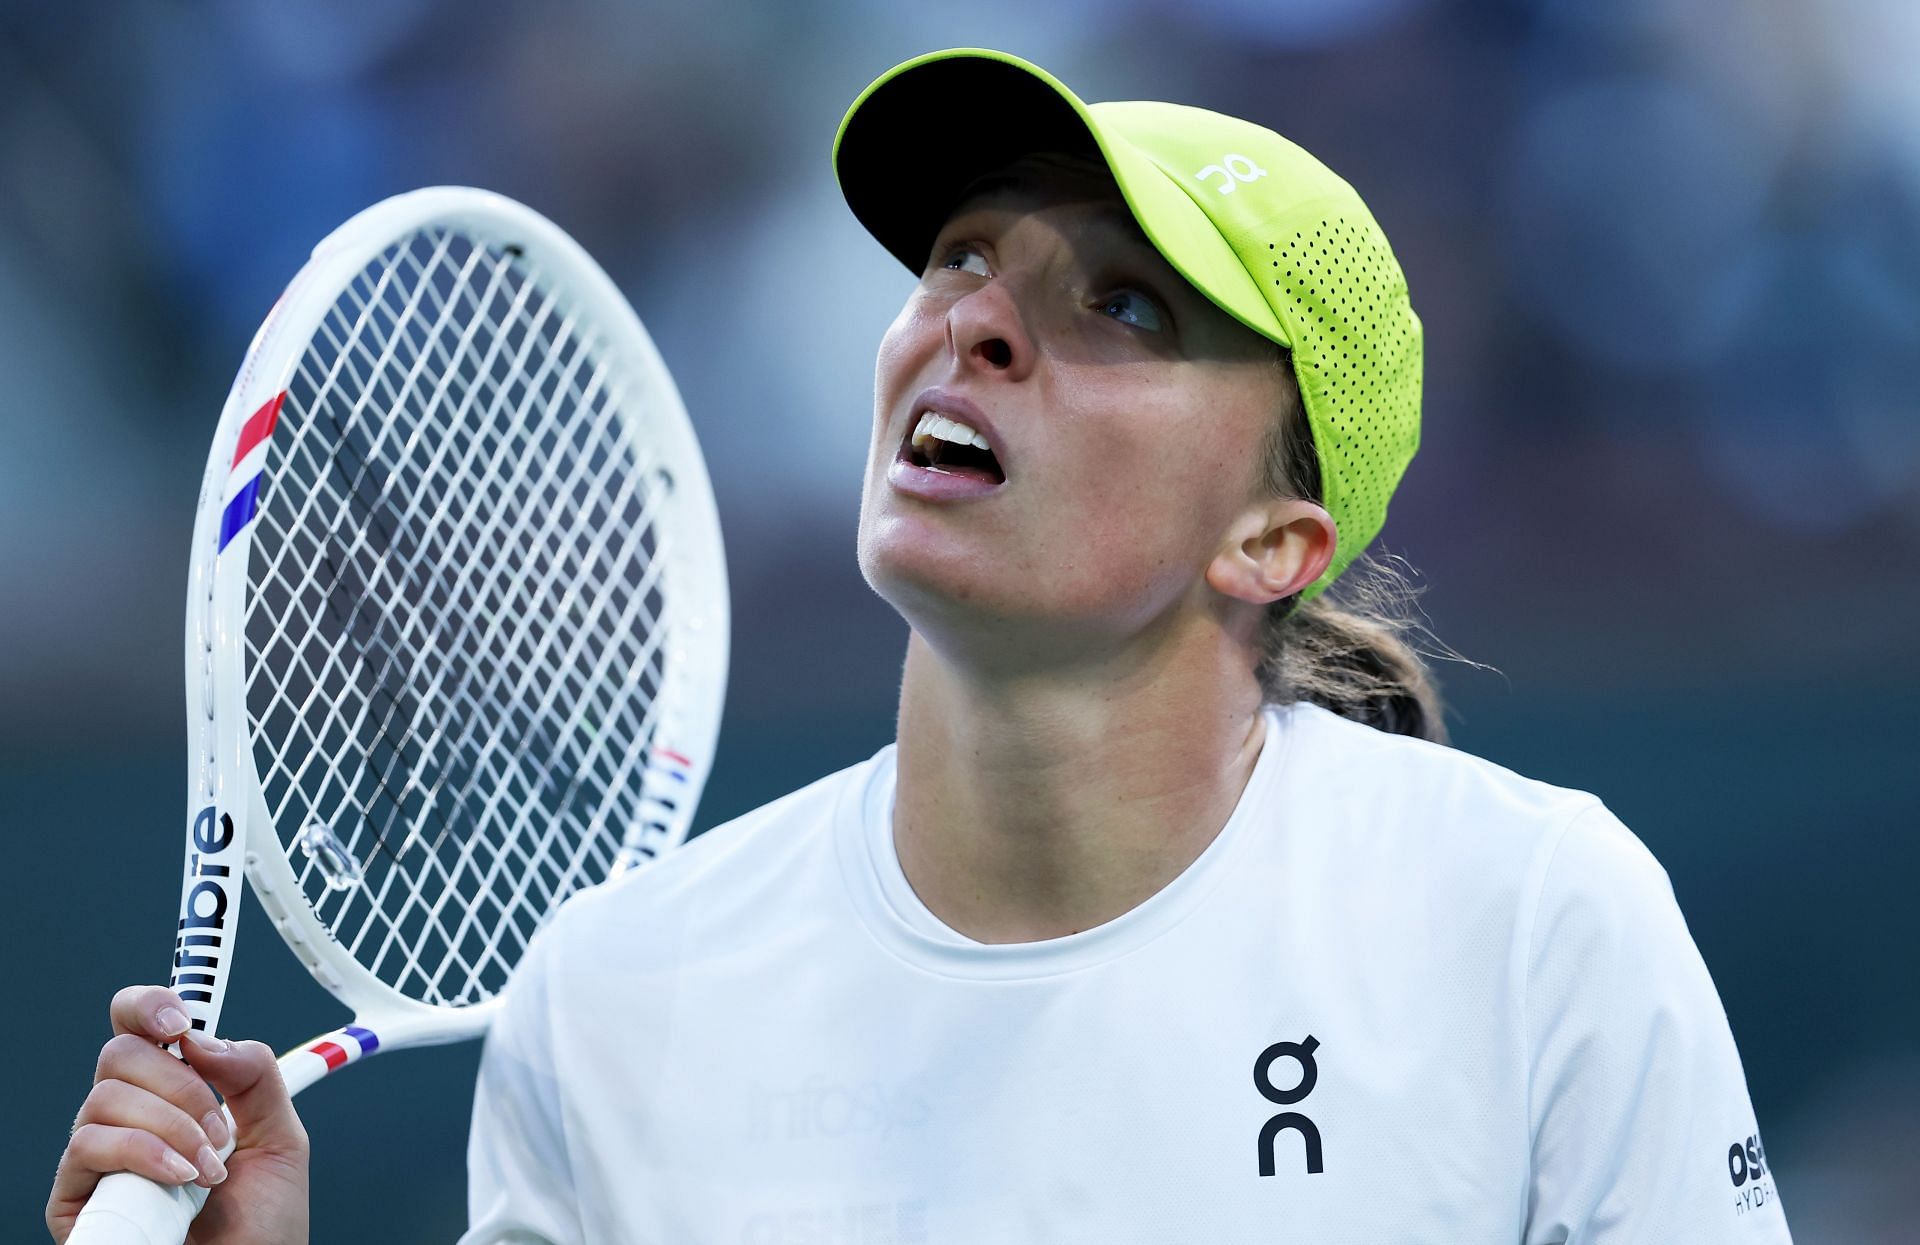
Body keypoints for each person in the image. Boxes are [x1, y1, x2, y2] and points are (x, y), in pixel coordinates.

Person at [49, 49, 1793, 1244]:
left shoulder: (1538, 918)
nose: (975, 322)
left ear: (1276, 538)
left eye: (1121, 302)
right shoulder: (618, 1001)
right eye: (962, 257)